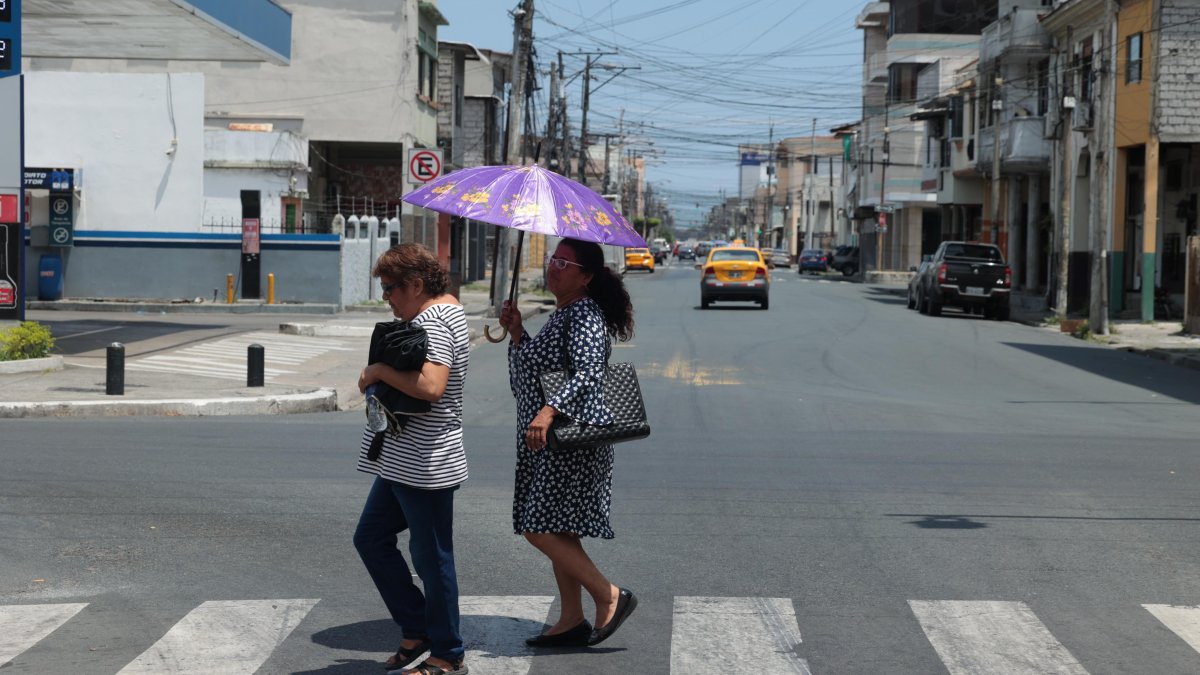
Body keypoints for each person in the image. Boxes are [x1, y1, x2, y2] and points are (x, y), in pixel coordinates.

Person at [498, 237, 639, 648]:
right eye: (553, 260)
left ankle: (609, 595)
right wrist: (517, 332)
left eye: (563, 263)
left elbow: (588, 373)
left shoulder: (584, 315)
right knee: (559, 528)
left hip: (571, 440)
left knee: (538, 527)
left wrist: (548, 411)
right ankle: (572, 618)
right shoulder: (563, 313)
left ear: (586, 276)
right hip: (550, 441)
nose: (553, 268)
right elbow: (533, 375)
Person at [353, 243, 470, 675]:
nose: (386, 297)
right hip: (403, 460)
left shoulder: (434, 321)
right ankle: (417, 628)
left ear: (417, 285)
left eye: (391, 288)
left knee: (432, 559)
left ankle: (448, 653)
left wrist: (379, 371)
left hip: (425, 463)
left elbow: (432, 387)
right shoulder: (445, 310)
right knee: (370, 538)